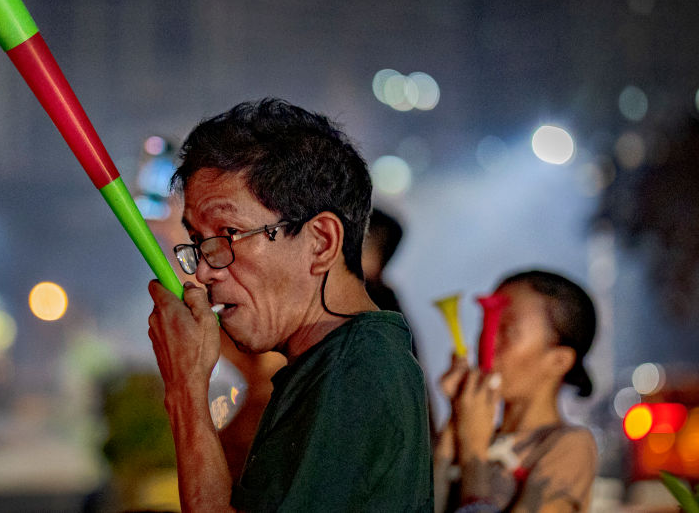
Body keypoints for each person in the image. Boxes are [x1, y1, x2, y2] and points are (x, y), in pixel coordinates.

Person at [147, 98, 433, 511]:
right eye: (197, 242)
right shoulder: (334, 362)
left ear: (321, 241)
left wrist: (186, 389)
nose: (206, 271)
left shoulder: (352, 371)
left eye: (228, 234)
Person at [433, 270, 598, 513]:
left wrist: (473, 453)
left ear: (559, 361)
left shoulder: (569, 447)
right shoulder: (471, 433)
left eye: (507, 331)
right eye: (486, 326)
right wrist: (455, 422)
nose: (485, 344)